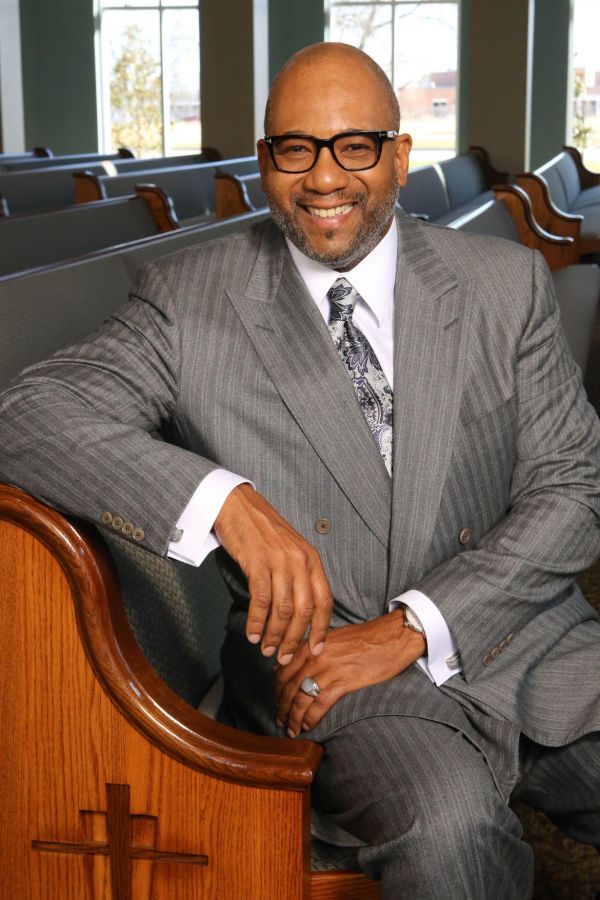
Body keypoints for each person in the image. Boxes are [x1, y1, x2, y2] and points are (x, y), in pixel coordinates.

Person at [1, 42, 600, 899]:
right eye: (296, 148)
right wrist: (229, 504)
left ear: (398, 155)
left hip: (519, 633)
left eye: (354, 145)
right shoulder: (189, 298)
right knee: (451, 831)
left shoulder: (502, 285)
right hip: (327, 676)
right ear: (263, 163)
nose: (325, 178)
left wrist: (411, 626)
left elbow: (574, 489)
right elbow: (25, 414)